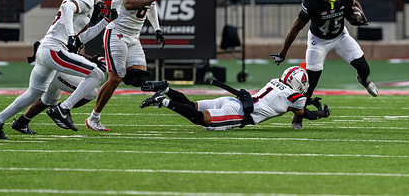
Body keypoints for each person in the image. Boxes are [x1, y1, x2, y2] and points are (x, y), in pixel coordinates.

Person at [0, 0, 115, 139]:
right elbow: (68, 8)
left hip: (46, 50)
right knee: (97, 73)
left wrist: (106, 21)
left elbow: (82, 36)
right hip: (54, 49)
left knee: (33, 94)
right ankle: (63, 109)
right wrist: (69, 35)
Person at [271, 0, 378, 130]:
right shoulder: (312, 3)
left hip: (341, 36)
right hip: (318, 41)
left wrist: (362, 16)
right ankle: (297, 117)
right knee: (310, 84)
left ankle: (363, 80)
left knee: (364, 68)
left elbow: (354, 4)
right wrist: (282, 53)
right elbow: (294, 29)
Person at [83, 0, 170, 132]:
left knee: (138, 77)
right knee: (115, 78)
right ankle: (94, 118)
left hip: (133, 36)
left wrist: (157, 28)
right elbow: (130, 3)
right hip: (117, 32)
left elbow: (150, 6)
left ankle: (103, 61)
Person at [140, 66, 331, 130]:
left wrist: (309, 101)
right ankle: (164, 101)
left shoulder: (275, 81)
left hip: (234, 100)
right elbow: (303, 112)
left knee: (191, 105)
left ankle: (167, 89)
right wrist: (321, 113)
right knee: (200, 120)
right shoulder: (294, 95)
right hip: (238, 112)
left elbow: (286, 102)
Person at [10, 55, 107, 135]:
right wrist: (90, 60)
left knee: (48, 100)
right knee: (91, 92)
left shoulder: (72, 33)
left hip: (49, 65)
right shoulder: (68, 33)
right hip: (55, 67)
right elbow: (67, 52)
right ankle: (61, 109)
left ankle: (21, 122)